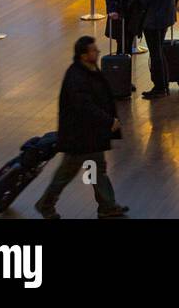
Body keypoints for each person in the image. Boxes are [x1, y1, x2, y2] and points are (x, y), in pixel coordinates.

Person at [34, 36, 128, 219]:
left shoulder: (88, 70)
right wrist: (109, 121)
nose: (98, 52)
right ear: (84, 55)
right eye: (93, 50)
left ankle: (107, 206)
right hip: (80, 138)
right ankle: (46, 204)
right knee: (68, 174)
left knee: (95, 170)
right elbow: (85, 106)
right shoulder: (76, 77)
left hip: (89, 136)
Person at [140, 0, 179, 99]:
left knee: (155, 53)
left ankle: (159, 87)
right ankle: (164, 85)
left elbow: (144, 1)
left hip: (152, 21)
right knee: (159, 51)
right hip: (167, 17)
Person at [104, 0, 144, 65]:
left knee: (128, 39)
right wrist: (112, 9)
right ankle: (122, 69)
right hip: (119, 10)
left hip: (134, 11)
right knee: (122, 41)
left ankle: (123, 69)